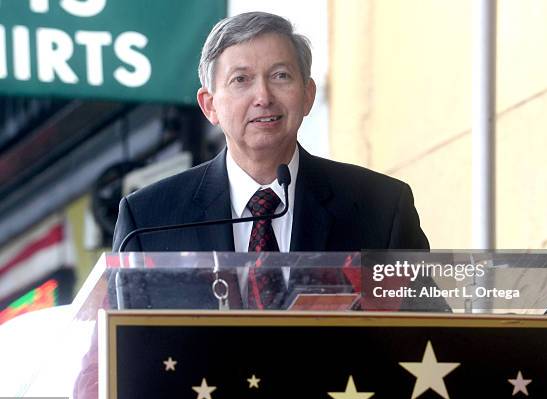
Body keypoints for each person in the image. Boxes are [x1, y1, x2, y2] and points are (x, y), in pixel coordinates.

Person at [112, 11, 429, 253]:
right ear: (209, 106)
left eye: (280, 76)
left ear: (307, 95)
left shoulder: (382, 208)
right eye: (241, 80)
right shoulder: (148, 220)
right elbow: (116, 337)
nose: (263, 97)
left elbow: (426, 326)